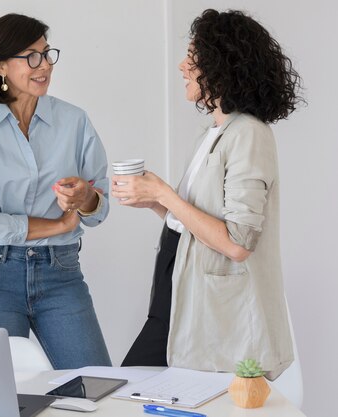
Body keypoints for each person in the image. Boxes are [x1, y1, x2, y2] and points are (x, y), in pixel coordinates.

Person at [113, 9, 304, 380]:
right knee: (131, 391)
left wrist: (166, 195)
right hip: (176, 299)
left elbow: (237, 242)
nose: (183, 66)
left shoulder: (249, 134)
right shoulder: (215, 133)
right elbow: (196, 224)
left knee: (125, 391)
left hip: (213, 313)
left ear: (223, 66)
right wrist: (155, 201)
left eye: (194, 57)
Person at [0, 13, 111, 369]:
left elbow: (100, 207)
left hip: (61, 272)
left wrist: (86, 199)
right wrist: (58, 226)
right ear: (1, 66)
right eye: (32, 57)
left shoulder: (75, 121)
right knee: (0, 397)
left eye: (47, 54)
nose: (44, 66)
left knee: (96, 385)